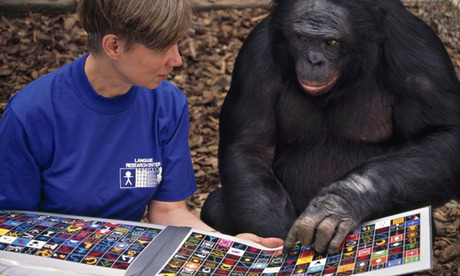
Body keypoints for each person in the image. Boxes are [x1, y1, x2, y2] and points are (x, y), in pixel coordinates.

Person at [0, 0, 282, 248]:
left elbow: (167, 211)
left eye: (177, 43)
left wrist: (226, 245)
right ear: (114, 46)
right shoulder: (31, 114)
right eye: (162, 47)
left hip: (128, 257)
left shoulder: (167, 104)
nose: (177, 59)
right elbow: (13, 227)